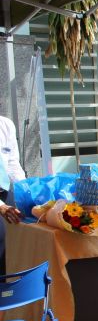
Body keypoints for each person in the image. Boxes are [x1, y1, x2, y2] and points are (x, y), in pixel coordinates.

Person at [0, 115, 25, 274]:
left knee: (21, 231)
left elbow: (12, 164)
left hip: (4, 190)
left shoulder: (6, 124)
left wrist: (28, 192)